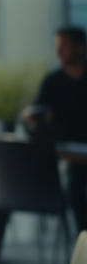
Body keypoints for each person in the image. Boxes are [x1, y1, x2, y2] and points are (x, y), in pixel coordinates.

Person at [24, 26, 87, 229]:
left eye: (64, 46)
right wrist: (31, 118)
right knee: (75, 180)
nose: (59, 52)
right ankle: (82, 240)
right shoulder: (52, 81)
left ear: (80, 48)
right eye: (57, 46)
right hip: (66, 154)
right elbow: (35, 114)